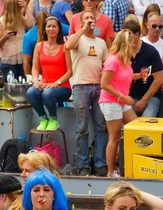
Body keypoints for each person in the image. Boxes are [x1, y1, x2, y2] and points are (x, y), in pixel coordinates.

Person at [66, 9, 108, 177]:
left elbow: (106, 64)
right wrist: (83, 29)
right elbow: (68, 46)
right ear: (80, 22)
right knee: (82, 128)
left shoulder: (101, 42)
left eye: (92, 17)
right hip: (81, 86)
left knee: (101, 127)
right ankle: (83, 166)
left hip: (99, 87)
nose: (91, 20)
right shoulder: (76, 38)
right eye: (86, 18)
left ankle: (100, 165)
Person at [99, 30, 138, 178]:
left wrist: (139, 76)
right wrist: (123, 96)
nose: (134, 44)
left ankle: (123, 163)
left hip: (120, 100)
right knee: (114, 136)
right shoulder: (113, 60)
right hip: (110, 100)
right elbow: (104, 83)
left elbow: (122, 77)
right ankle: (110, 171)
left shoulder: (124, 60)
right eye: (132, 42)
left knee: (135, 126)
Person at [27, 16, 73, 131]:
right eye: (48, 26)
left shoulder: (64, 47)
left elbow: (70, 72)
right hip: (45, 84)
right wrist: (36, 80)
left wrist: (56, 83)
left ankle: (53, 119)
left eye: (54, 26)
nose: (51, 29)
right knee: (31, 92)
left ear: (58, 29)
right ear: (44, 29)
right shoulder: (39, 46)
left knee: (47, 93)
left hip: (62, 87)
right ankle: (44, 119)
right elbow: (35, 68)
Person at [125, 19, 163, 118]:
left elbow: (158, 80)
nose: (125, 37)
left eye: (128, 34)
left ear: (136, 35)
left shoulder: (151, 52)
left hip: (150, 97)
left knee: (146, 124)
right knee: (127, 127)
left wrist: (144, 100)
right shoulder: (123, 52)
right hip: (129, 96)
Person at [0, 0, 32, 81]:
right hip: (8, 60)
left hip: (22, 58)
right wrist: (4, 38)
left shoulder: (20, 18)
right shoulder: (0, 23)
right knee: (11, 87)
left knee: (24, 84)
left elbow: (31, 23)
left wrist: (26, 8)